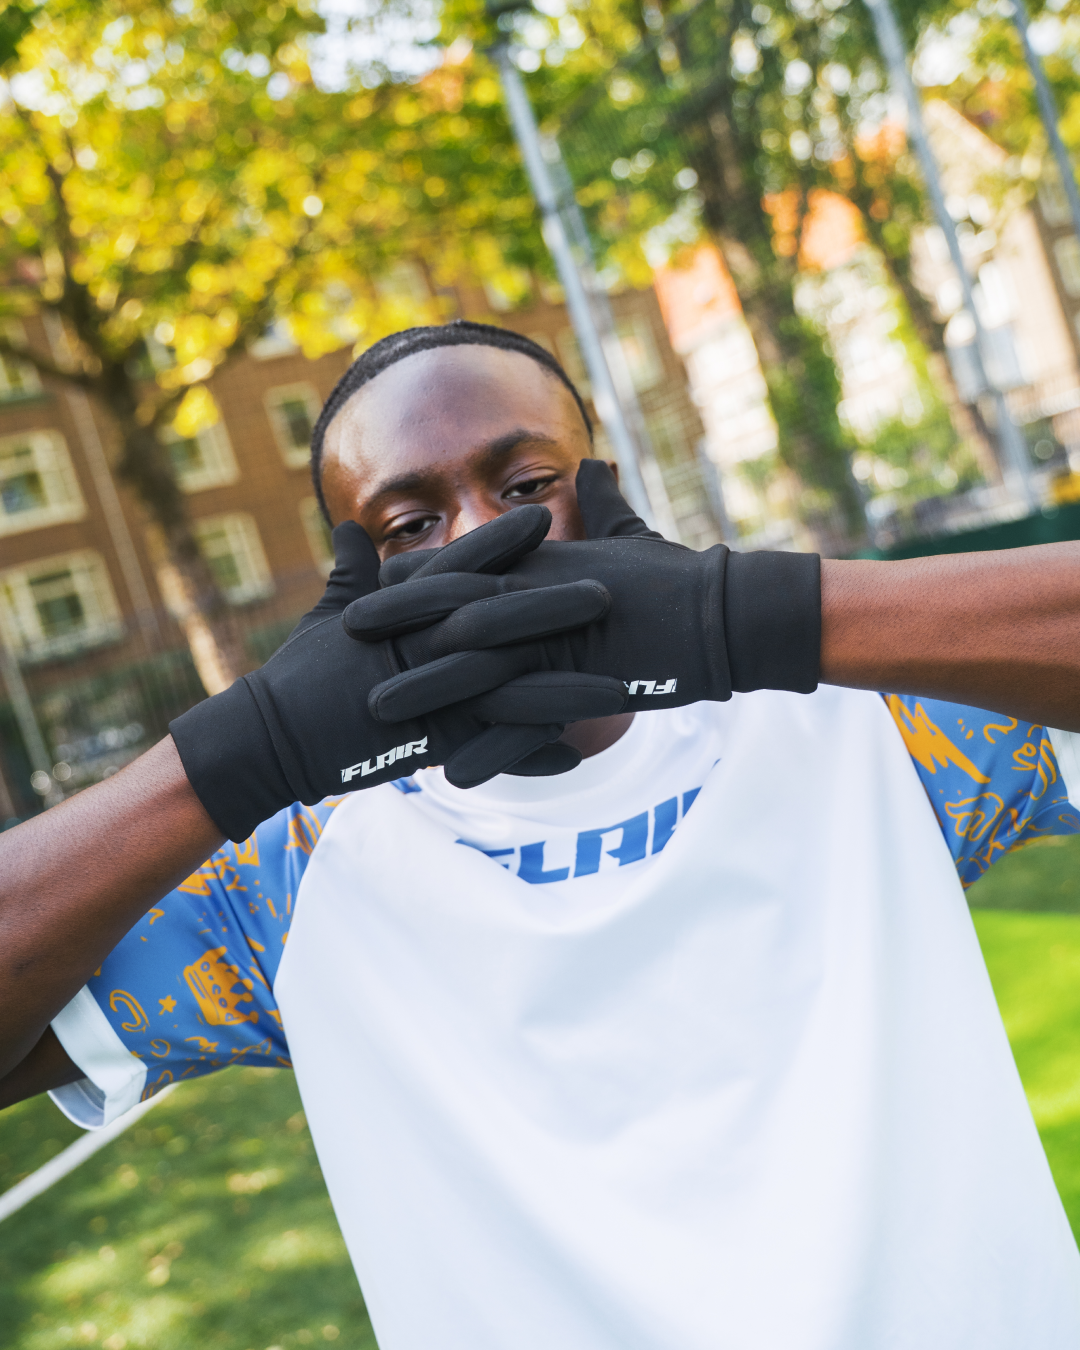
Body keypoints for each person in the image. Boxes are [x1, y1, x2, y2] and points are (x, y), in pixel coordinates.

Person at [2, 319, 1080, 1349]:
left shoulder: (872, 729)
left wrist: (748, 618)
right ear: (352, 580)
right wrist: (246, 751)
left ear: (606, 491)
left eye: (526, 489)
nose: (484, 543)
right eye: (410, 526)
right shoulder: (284, 883)